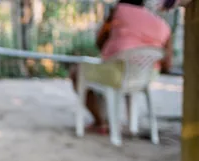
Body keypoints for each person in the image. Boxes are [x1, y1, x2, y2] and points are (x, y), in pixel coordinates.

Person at [70, 0, 172, 135]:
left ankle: (100, 122)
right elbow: (167, 64)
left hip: (119, 73)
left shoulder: (119, 11)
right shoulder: (163, 25)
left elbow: (100, 42)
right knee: (113, 74)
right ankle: (128, 123)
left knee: (77, 72)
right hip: (146, 76)